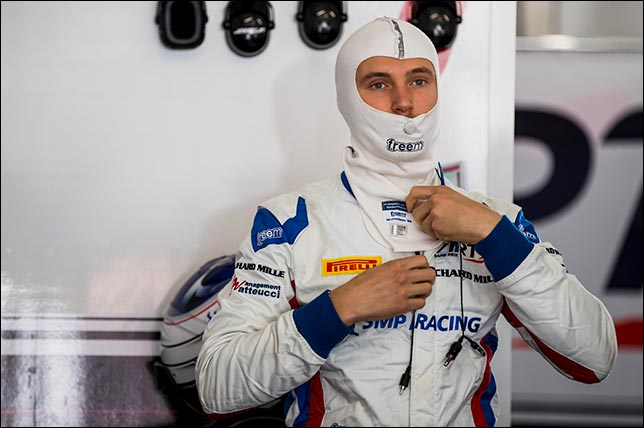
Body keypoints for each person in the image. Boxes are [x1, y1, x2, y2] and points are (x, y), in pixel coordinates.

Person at [196, 17, 617, 427]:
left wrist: (493, 237)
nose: (403, 102)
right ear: (346, 97)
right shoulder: (290, 221)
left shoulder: (498, 221)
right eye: (379, 84)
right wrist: (339, 309)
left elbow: (595, 358)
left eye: (418, 80)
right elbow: (217, 388)